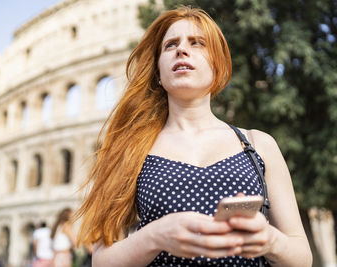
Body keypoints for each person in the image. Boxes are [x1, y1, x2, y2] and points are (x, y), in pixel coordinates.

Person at [74, 6, 312, 267]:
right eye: (170, 45)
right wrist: (154, 236)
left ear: (218, 66)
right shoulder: (130, 151)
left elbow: (301, 257)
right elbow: (101, 262)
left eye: (197, 43)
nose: (181, 50)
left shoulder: (258, 144)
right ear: (158, 73)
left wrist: (269, 240)